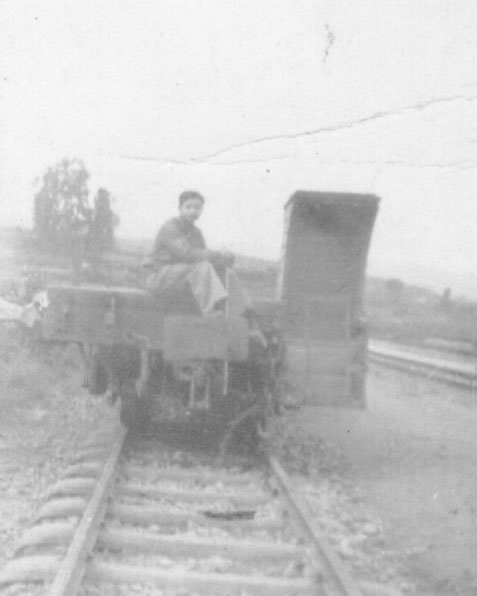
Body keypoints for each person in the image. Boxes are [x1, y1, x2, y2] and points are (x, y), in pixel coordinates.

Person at [145, 190, 249, 316]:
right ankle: (210, 313)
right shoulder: (170, 227)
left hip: (181, 277)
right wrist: (218, 254)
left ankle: (240, 312)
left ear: (201, 211)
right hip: (160, 276)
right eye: (188, 207)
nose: (193, 211)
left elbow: (204, 257)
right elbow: (187, 254)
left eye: (197, 208)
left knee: (225, 271)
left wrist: (224, 260)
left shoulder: (196, 232)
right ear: (180, 208)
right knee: (203, 268)